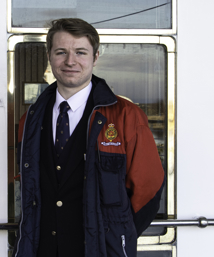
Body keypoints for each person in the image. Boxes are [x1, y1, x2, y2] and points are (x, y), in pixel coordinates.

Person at [12, 18, 165, 257]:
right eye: (61, 52)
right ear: (50, 56)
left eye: (80, 52)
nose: (70, 61)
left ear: (95, 58)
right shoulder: (29, 119)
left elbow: (149, 189)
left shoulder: (126, 116)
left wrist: (117, 235)